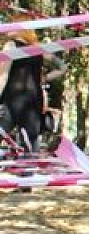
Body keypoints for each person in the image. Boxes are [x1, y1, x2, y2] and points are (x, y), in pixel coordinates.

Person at [0, 23, 43, 153]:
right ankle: (33, 171)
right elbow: (61, 67)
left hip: (12, 100)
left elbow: (3, 75)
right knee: (32, 144)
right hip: (34, 102)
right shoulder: (38, 51)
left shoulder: (11, 45)